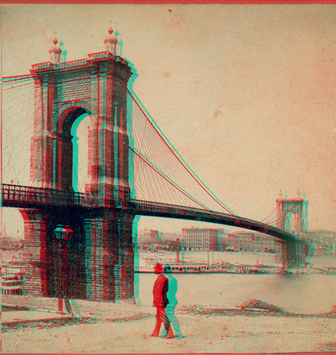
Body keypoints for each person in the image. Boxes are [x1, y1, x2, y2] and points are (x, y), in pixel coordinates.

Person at [151, 263, 173, 338]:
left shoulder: (161, 279)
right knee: (158, 317)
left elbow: (159, 292)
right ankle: (155, 333)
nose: (154, 270)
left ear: (160, 270)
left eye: (156, 269)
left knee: (163, 317)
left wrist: (157, 302)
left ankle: (170, 333)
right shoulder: (161, 278)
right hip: (160, 301)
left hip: (160, 302)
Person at [161, 264, 183, 339]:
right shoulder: (173, 279)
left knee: (171, 317)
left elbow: (164, 292)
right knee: (167, 317)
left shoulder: (165, 280)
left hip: (168, 301)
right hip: (172, 300)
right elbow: (174, 290)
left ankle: (178, 333)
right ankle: (164, 333)